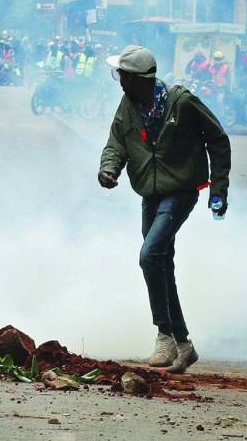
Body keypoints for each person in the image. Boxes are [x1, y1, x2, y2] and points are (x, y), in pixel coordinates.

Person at [98, 45, 231, 374]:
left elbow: (218, 139)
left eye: (123, 76)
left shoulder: (182, 103)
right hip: (151, 192)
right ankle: (183, 344)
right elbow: (117, 141)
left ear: (139, 79)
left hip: (181, 191)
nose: (119, 81)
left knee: (149, 255)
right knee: (159, 263)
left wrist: (219, 189)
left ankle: (164, 333)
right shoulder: (128, 105)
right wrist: (109, 168)